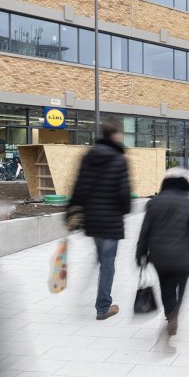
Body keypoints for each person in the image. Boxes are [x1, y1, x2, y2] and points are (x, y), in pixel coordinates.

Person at [68, 122, 132, 321]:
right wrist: (125, 209)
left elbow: (78, 187)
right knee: (107, 263)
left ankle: (84, 289)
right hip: (111, 220)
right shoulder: (119, 160)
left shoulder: (88, 156)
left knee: (100, 256)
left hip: (92, 219)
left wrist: (69, 214)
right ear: (114, 136)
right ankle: (103, 307)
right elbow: (124, 192)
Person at [136, 168, 189, 338]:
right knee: (182, 284)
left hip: (159, 256)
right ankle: (176, 311)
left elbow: (145, 231)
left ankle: (170, 314)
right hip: (185, 256)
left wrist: (141, 254)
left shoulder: (153, 203)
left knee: (166, 286)